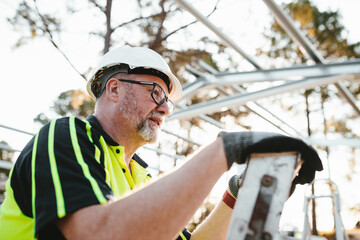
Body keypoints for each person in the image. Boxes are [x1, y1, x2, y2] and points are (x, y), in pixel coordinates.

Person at [0, 45, 323, 240]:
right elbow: (96, 235)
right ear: (113, 89)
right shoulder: (65, 137)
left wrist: (239, 192)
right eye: (155, 92)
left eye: (168, 99)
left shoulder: (139, 176)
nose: (166, 107)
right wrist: (225, 149)